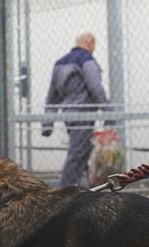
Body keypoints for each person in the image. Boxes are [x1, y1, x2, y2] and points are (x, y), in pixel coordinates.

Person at [41, 33, 114, 187]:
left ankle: (86, 190)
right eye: (94, 45)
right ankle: (65, 193)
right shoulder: (87, 60)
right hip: (84, 113)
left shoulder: (59, 63)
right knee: (76, 154)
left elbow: (52, 97)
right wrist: (109, 112)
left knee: (83, 151)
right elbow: (95, 87)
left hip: (69, 114)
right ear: (90, 42)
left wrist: (48, 124)